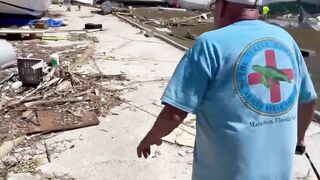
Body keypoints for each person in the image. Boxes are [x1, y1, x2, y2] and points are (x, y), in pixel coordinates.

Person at [137, 0, 318, 179]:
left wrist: (151, 137)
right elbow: (308, 99)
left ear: (222, 6)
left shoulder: (209, 44)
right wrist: (299, 138)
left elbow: (175, 113)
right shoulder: (286, 39)